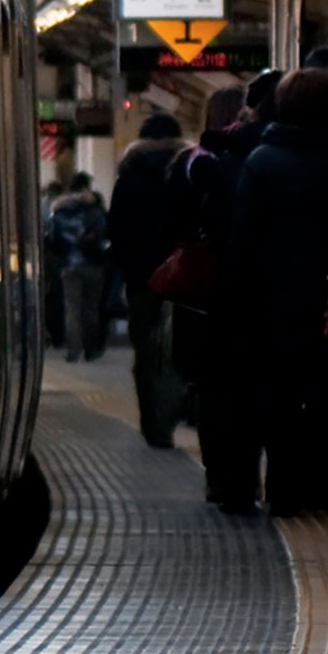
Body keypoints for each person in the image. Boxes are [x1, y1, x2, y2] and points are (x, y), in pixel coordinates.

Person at [226, 69, 328, 515]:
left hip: (275, 301)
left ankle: (284, 491)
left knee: (280, 397)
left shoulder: (263, 161)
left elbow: (243, 239)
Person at [168, 83, 262, 508]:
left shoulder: (189, 163)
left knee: (211, 391)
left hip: (196, 296)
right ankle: (240, 478)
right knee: (240, 390)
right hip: (236, 292)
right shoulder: (233, 163)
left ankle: (219, 477)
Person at [110, 114, 189, 444]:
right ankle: (173, 415)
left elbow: (115, 230)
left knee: (145, 353)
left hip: (141, 280)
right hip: (185, 281)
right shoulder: (189, 171)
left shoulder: (128, 177)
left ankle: (152, 425)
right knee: (180, 351)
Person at [45, 171, 110, 360]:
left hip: (68, 265)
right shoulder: (95, 211)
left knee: (72, 308)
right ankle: (91, 348)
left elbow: (53, 240)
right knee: (91, 308)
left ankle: (74, 349)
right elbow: (104, 235)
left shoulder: (59, 212)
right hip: (94, 265)